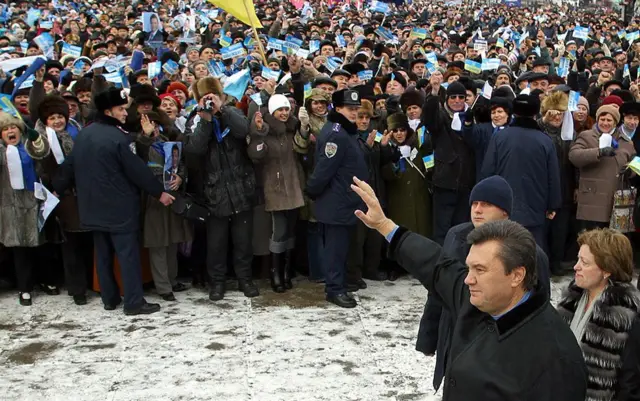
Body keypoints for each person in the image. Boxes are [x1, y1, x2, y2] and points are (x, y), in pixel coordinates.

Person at [350, 176, 588, 401]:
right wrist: (383, 224)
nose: (467, 280)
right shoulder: (477, 298)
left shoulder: (555, 359)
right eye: (469, 268)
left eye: (480, 270)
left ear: (517, 275)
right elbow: (435, 265)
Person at [416, 175, 550, 391]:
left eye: (486, 205)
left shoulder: (529, 253)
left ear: (505, 212)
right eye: (474, 203)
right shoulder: (455, 236)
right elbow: (438, 289)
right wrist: (429, 337)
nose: (477, 210)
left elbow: (539, 312)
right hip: (455, 338)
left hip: (498, 351)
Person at [53, 87, 175, 316]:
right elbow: (136, 169)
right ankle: (134, 302)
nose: (124, 113)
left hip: (91, 207)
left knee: (103, 254)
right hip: (120, 208)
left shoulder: (85, 134)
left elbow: (68, 166)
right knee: (128, 256)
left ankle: (109, 299)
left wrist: (56, 188)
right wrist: (159, 192)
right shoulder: (119, 138)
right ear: (108, 111)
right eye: (120, 109)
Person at [183, 77, 258, 302]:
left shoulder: (232, 112)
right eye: (204, 97)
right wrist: (205, 120)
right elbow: (194, 150)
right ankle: (217, 282)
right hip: (214, 193)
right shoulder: (195, 120)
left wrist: (222, 109)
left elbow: (244, 129)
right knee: (216, 244)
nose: (209, 101)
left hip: (240, 188)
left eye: (212, 96)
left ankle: (245, 279)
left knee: (243, 241)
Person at [557, 228, 640, 401]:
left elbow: (629, 383)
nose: (575, 267)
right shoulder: (571, 300)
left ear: (607, 270)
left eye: (585, 263)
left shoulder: (625, 317)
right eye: (578, 258)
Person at [306, 89, 368, 308]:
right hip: (336, 201)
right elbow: (324, 168)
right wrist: (313, 190)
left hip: (345, 199)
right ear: (338, 108)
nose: (354, 113)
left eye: (355, 109)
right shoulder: (336, 134)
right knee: (335, 249)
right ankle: (334, 289)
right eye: (349, 109)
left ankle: (340, 283)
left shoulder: (344, 131)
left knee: (342, 247)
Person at [481, 93, 562, 251]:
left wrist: (485, 200)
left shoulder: (499, 137)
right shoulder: (545, 140)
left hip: (503, 205)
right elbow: (553, 176)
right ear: (535, 113)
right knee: (532, 250)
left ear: (514, 112)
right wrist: (553, 205)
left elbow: (487, 171)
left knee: (503, 250)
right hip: (535, 207)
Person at [249, 94, 304, 293]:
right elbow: (255, 154)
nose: (284, 113)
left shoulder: (292, 130)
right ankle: (275, 273)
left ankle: (287, 271)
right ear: (272, 112)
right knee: (278, 231)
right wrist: (260, 133)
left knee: (290, 230)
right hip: (275, 187)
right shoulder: (265, 131)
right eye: (280, 110)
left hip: (293, 185)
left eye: (286, 109)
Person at [0, 112, 51, 306]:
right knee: (19, 250)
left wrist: (33, 134)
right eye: (5, 129)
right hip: (10, 207)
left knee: (39, 247)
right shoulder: (1, 151)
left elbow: (42, 151)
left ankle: (44, 280)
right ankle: (24, 288)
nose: (10, 131)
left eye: (13, 127)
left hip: (34, 203)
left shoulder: (28, 148)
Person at [569, 105, 636, 230]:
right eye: (602, 119)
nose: (605, 123)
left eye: (609, 120)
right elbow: (574, 156)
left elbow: (634, 162)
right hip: (592, 198)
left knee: (613, 243)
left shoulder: (625, 142)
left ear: (615, 122)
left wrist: (630, 172)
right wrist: (598, 152)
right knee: (592, 241)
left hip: (616, 200)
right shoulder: (586, 136)